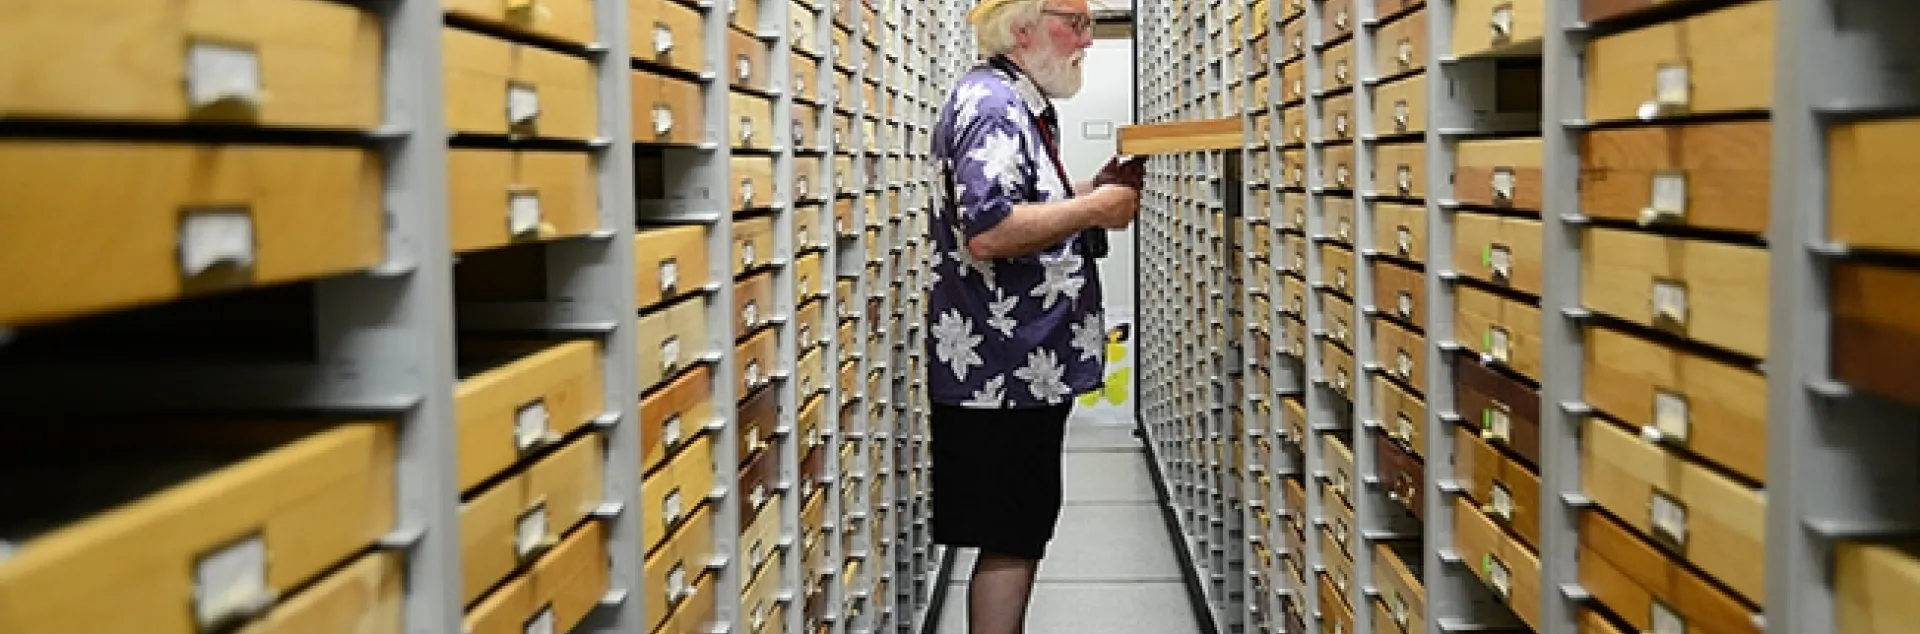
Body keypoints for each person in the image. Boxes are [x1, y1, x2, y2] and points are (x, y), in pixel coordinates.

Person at [923, 0, 1145, 632]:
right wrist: (1097, 210)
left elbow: (1019, 203)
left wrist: (1089, 192)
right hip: (1002, 370)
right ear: (1022, 29)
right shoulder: (995, 106)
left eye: (1090, 25)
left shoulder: (1014, 101)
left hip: (1017, 366)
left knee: (1017, 531)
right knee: (1010, 534)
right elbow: (990, 230)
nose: (1087, 41)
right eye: (1073, 24)